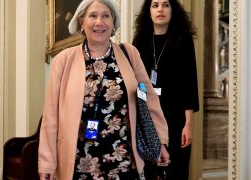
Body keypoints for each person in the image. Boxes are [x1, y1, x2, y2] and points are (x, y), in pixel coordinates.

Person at [38, 0, 170, 179]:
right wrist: (47, 162)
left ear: (113, 23)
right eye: (93, 16)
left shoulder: (129, 54)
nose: (99, 22)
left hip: (124, 161)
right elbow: (51, 117)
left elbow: (151, 100)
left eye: (106, 16)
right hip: (78, 163)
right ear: (81, 22)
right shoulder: (63, 60)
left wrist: (161, 141)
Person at [132, 0, 199, 179]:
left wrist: (189, 124)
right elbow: (133, 83)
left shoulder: (184, 41)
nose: (160, 9)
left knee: (177, 169)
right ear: (149, 11)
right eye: (155, 5)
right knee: (149, 170)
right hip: (147, 116)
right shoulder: (139, 42)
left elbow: (189, 83)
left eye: (165, 4)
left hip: (176, 118)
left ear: (172, 10)